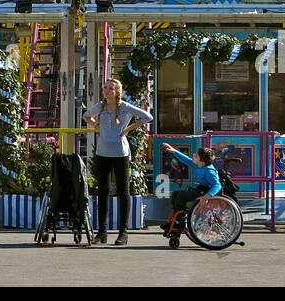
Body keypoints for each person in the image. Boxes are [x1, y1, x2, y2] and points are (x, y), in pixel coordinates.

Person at [84, 78, 153, 246]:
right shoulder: (100, 106)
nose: (108, 91)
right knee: (103, 191)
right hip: (102, 153)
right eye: (106, 88)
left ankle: (123, 232)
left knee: (123, 192)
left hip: (120, 153)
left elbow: (147, 117)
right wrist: (97, 126)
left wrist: (128, 129)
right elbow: (86, 116)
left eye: (111, 88)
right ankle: (102, 232)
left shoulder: (124, 107)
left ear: (117, 92)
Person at [159, 143, 222, 225]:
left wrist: (206, 197)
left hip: (205, 192)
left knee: (181, 196)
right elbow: (186, 160)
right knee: (175, 194)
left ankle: (179, 220)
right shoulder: (199, 165)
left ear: (201, 161)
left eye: (196, 155)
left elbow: (217, 185)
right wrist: (174, 151)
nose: (193, 155)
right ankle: (176, 217)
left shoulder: (209, 171)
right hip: (200, 189)